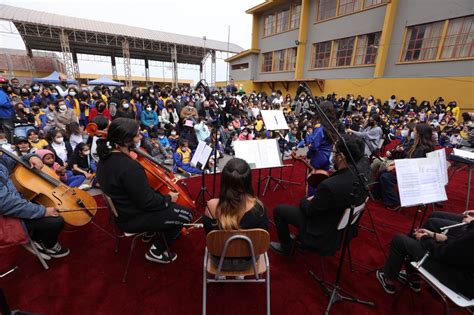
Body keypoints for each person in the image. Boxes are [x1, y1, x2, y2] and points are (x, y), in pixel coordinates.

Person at [96, 118, 192, 263]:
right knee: (186, 214)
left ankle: (152, 231)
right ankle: (157, 251)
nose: (140, 137)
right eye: (137, 135)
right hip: (133, 218)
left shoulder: (105, 158)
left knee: (164, 202)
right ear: (127, 140)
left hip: (123, 211)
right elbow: (147, 202)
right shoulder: (129, 167)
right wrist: (168, 198)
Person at [271, 134, 367, 256]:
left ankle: (286, 247)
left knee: (279, 210)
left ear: (341, 157)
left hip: (321, 230)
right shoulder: (362, 177)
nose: (332, 155)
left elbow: (309, 211)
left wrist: (306, 199)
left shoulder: (330, 186)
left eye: (334, 152)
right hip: (341, 229)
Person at [376, 210, 474, 299]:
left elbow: (443, 254)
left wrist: (425, 239)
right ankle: (413, 278)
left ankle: (388, 277)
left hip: (457, 279)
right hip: (462, 273)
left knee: (399, 240)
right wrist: (435, 236)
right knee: (428, 230)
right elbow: (460, 246)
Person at [0, 149, 69, 259]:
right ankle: (47, 244)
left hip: (16, 202)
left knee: (44, 204)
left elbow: (17, 160)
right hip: (5, 219)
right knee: (56, 220)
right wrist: (43, 211)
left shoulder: (1, 161)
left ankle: (37, 237)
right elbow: (5, 204)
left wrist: (31, 157)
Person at [204, 158, 268, 271]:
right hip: (249, 262)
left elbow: (208, 235)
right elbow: (262, 238)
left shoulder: (211, 205)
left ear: (224, 180)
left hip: (219, 261)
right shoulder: (259, 207)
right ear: (248, 181)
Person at [378, 123, 435, 209]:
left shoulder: (423, 148)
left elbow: (413, 164)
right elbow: (409, 159)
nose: (413, 132)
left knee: (385, 176)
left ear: (419, 133)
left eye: (414, 131)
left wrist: (395, 166)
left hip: (413, 174)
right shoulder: (418, 144)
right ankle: (379, 194)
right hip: (408, 169)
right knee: (384, 171)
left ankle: (393, 202)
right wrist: (395, 164)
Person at [0, 77, 14, 143]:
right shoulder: (1, 92)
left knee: (6, 129)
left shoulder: (3, 92)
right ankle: (11, 143)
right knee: (10, 129)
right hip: (4, 114)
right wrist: (11, 103)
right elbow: (2, 103)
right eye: (3, 83)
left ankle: (9, 142)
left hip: (4, 114)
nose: (6, 85)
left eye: (5, 83)